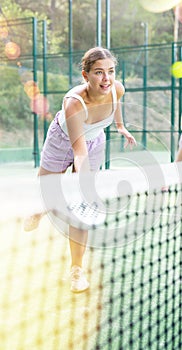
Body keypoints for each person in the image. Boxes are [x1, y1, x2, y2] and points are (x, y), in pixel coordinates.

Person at [24, 47, 137, 293]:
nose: (107, 79)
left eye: (111, 71)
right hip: (63, 140)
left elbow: (116, 107)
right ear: (86, 76)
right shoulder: (74, 102)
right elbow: (79, 152)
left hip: (95, 141)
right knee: (49, 190)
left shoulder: (117, 88)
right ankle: (41, 208)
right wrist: (84, 184)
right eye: (99, 73)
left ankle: (76, 270)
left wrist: (120, 127)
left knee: (81, 209)